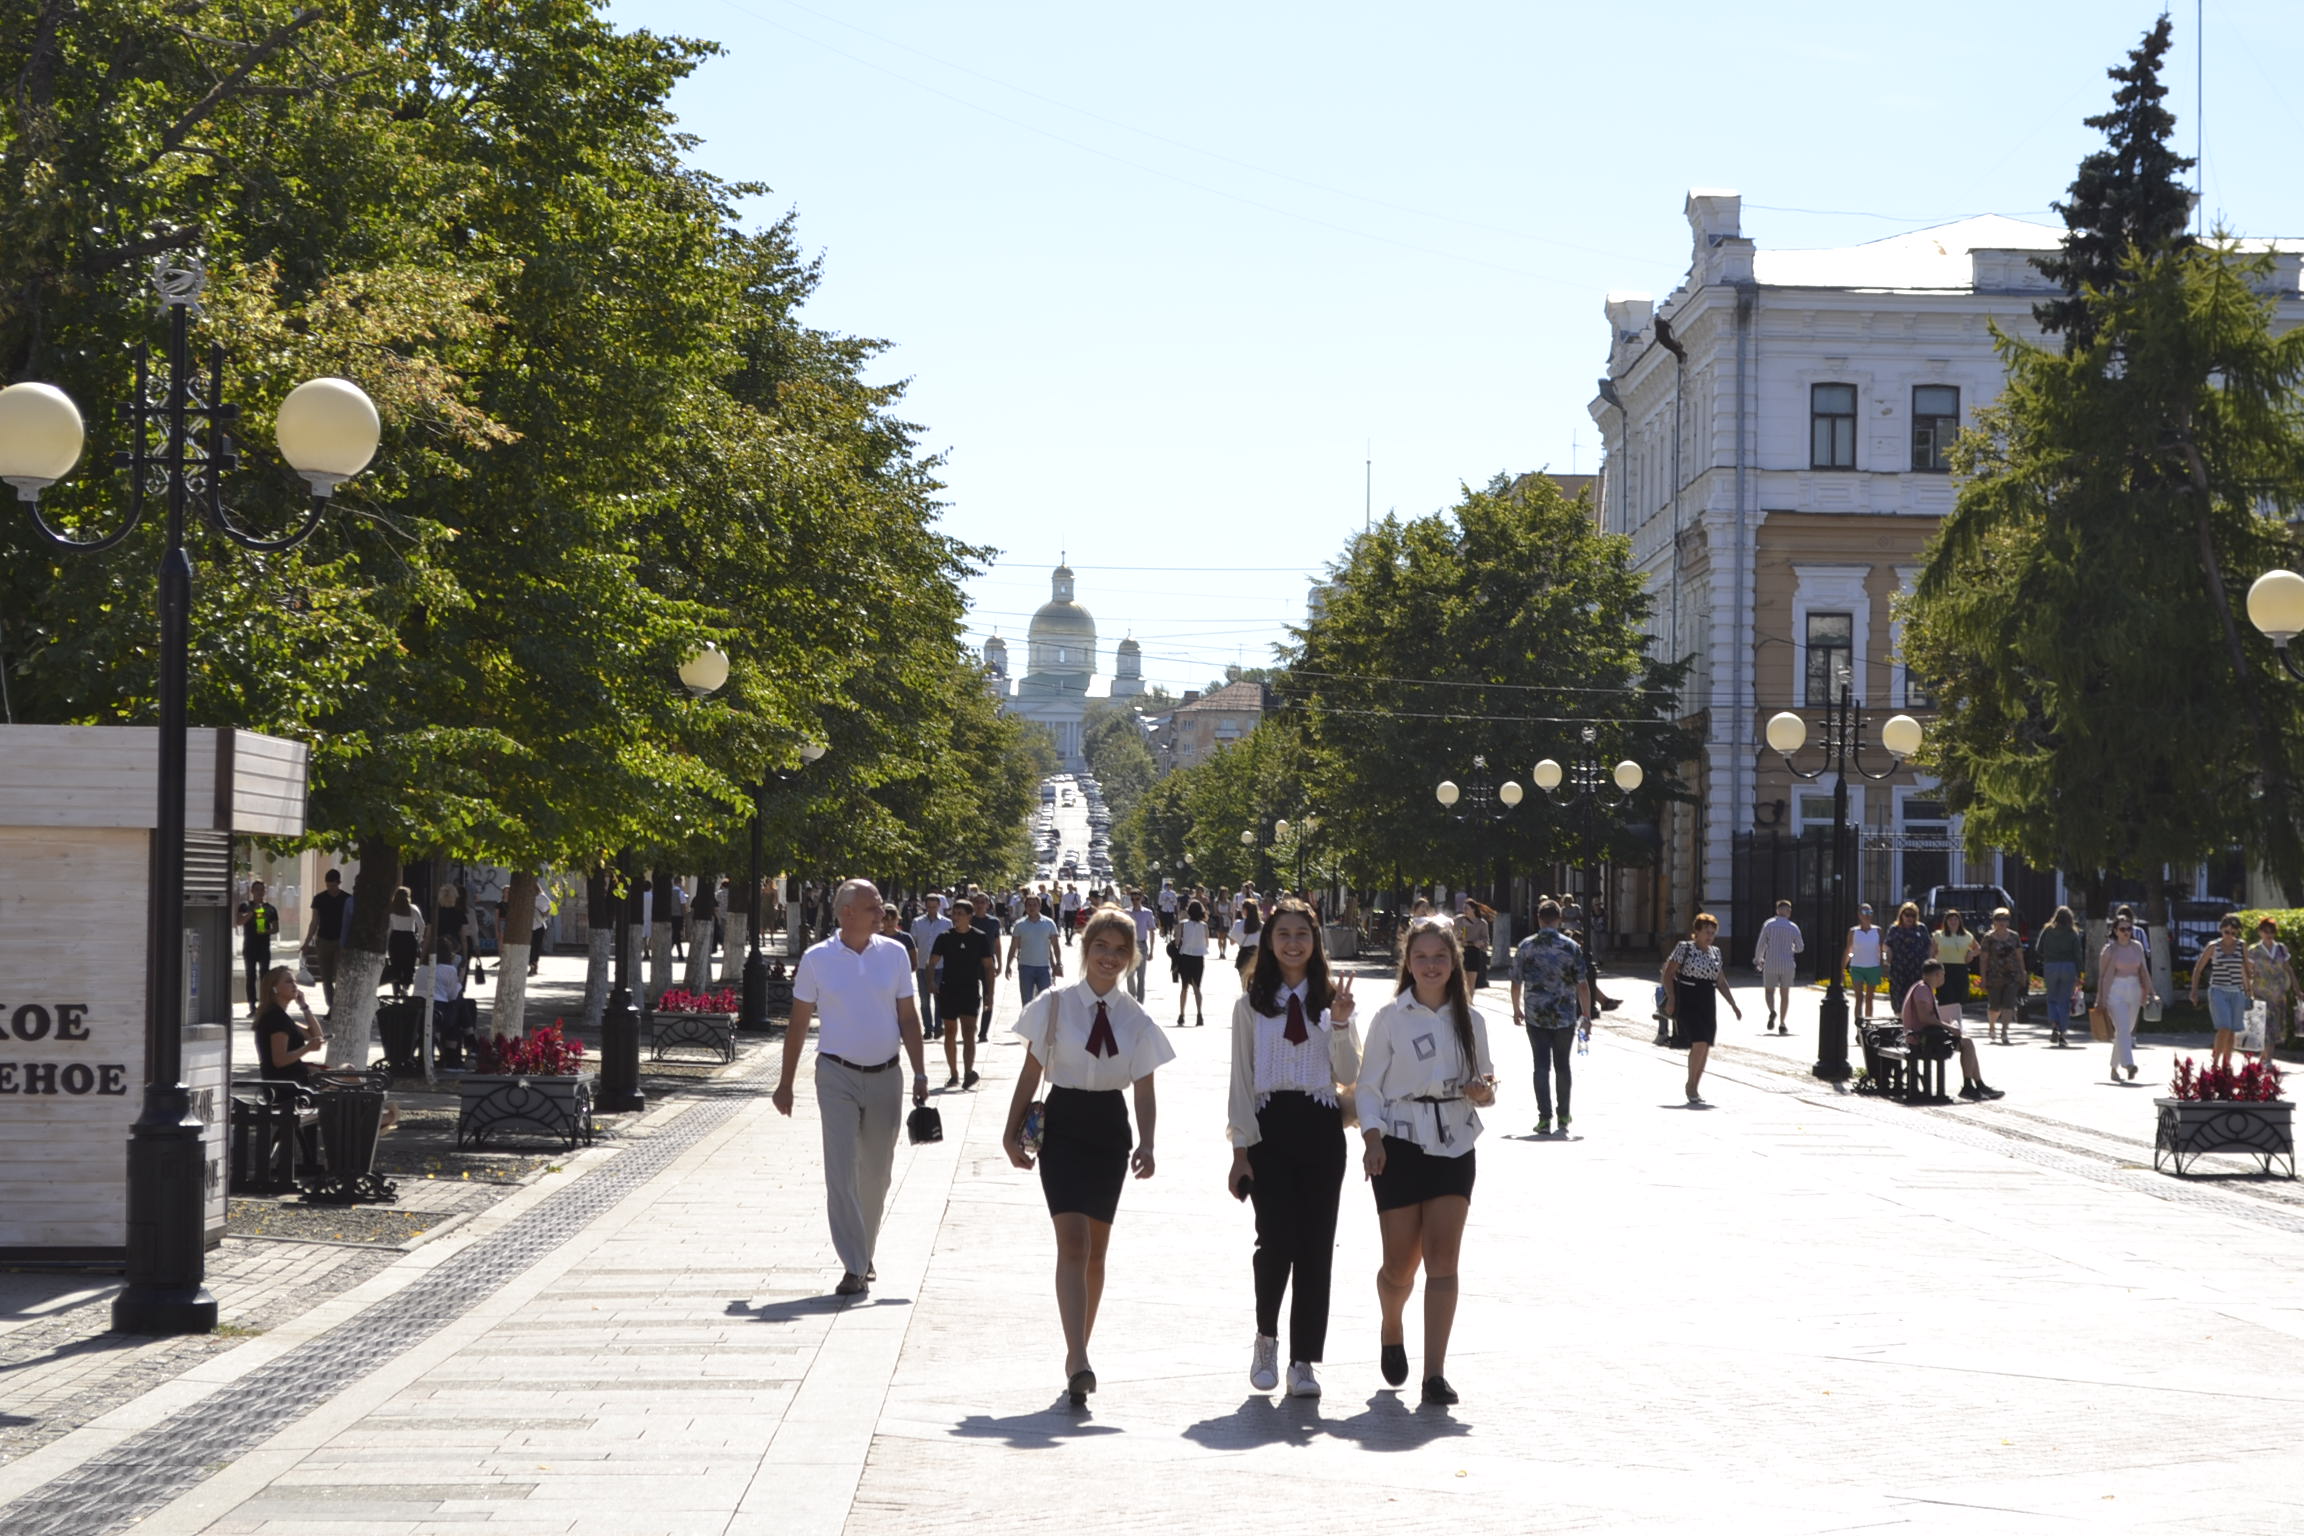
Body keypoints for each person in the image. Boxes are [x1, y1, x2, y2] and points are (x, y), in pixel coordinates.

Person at [1001, 906, 1174, 1407]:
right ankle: (1077, 1359)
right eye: (1101, 947)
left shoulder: (1136, 1019)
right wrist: (1010, 1133)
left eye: (1120, 950)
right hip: (1064, 1124)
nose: (1109, 958)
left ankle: (1080, 1347)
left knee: (1097, 1250)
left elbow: (1144, 1089)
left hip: (1108, 1130)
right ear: (1085, 948)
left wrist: (1147, 1142)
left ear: (1132, 956)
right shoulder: (1054, 1005)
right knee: (1072, 1242)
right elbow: (1031, 1073)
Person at [1226, 899, 1359, 1399]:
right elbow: (1241, 1080)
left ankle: (1304, 1361)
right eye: (1283, 934)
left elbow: (1349, 1074)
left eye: (1302, 933)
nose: (1293, 943)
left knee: (1316, 1246)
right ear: (1269, 941)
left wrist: (1341, 1024)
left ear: (1315, 941)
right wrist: (1240, 1149)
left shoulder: (1332, 1000)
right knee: (1275, 1239)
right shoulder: (1250, 1006)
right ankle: (1266, 1338)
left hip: (1321, 1124)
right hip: (1269, 1127)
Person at [772, 878, 931, 1297]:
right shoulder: (817, 959)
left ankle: (864, 1252)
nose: (882, 913)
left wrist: (920, 1072)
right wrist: (785, 1083)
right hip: (835, 1075)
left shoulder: (895, 954)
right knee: (841, 1172)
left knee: (876, 1174)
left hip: (887, 1075)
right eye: (873, 907)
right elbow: (798, 1023)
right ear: (847, 913)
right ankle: (854, 1266)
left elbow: (908, 1017)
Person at [1359, 916, 1494, 1406]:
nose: (1431, 965)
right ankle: (1391, 1325)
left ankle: (1434, 1373)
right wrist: (1373, 1139)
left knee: (1443, 1260)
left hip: (1454, 1143)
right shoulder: (1390, 1017)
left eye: (1440, 957)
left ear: (1453, 962)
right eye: (1421, 957)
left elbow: (1487, 1084)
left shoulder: (1471, 1019)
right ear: (1408, 963)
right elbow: (1368, 1087)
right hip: (1398, 1142)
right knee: (1400, 1265)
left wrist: (1482, 1092)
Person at [1511, 899, 1589, 1137]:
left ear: (1538, 918)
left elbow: (1516, 982)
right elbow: (1583, 984)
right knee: (1563, 1065)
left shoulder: (1526, 946)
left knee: (1541, 1065)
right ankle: (1564, 1115)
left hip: (1536, 1014)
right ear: (1559, 919)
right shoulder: (1571, 947)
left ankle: (1544, 1118)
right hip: (1565, 1015)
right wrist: (1586, 1015)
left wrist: (1516, 1009)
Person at [1660, 913, 1740, 1106]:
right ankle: (1691, 1085)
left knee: (1706, 1044)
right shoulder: (1684, 948)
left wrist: (1733, 1004)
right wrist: (1671, 998)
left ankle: (1695, 1085)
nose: (1709, 936)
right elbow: (1668, 973)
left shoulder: (1716, 952)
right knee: (1699, 1041)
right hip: (1688, 998)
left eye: (1713, 932)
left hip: (1707, 1000)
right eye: (1706, 932)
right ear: (1696, 932)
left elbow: (1720, 981)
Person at [1900, 959, 2006, 1100]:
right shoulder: (1922, 990)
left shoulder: (1922, 987)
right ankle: (1969, 1086)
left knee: (1967, 1042)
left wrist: (1949, 1023)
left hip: (1924, 1035)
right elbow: (1925, 1018)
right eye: (1943, 974)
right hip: (1921, 1039)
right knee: (1967, 1044)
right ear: (1937, 974)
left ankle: (1978, 1085)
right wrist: (1949, 1027)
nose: (1943, 978)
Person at [930, 899, 997, 1090]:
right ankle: (953, 1074)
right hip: (949, 989)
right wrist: (930, 982)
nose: (956, 917)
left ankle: (969, 1072)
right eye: (954, 913)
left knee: (969, 1031)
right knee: (950, 1031)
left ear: (969, 916)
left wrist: (989, 993)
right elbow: (932, 962)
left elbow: (988, 966)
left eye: (960, 914)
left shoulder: (979, 937)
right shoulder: (944, 937)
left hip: (970, 990)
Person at [2189, 915, 2254, 1072]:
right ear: (2221, 930)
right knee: (2224, 1026)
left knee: (2232, 1031)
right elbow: (2198, 968)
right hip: (2218, 990)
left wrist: (2249, 991)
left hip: (2237, 992)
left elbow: (2246, 970)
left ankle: (2226, 1064)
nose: (2230, 935)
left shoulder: (2241, 946)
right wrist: (2194, 990)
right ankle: (2215, 1062)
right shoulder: (2213, 946)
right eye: (2226, 932)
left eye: (2233, 932)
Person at [2097, 912, 2155, 1084]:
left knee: (2125, 1030)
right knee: (2122, 1027)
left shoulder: (2137, 947)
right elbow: (2102, 977)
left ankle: (2113, 1067)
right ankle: (2128, 1064)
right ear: (2115, 931)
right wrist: (2100, 998)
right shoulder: (2109, 950)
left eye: (2129, 929)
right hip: (2115, 991)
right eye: (2122, 929)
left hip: (2134, 989)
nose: (2126, 932)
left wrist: (2152, 992)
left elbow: (2144, 970)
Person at [253, 964, 325, 1083]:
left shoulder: (281, 1017)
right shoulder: (276, 1018)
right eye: (289, 981)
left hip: (294, 1079)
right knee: (347, 1075)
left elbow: (316, 1036)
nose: (295, 985)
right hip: (288, 1085)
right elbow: (279, 1060)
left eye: (295, 981)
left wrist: (304, 1007)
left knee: (347, 1071)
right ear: (274, 988)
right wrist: (307, 1048)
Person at [302, 869, 352, 1012]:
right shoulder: (319, 898)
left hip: (341, 942)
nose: (331, 888)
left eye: (333, 885)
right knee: (326, 977)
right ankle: (331, 1006)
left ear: (339, 883)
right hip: (323, 941)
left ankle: (340, 1006)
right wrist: (307, 942)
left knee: (339, 975)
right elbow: (314, 922)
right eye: (328, 885)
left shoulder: (347, 899)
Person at [2036, 905, 2085, 1048]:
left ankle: (2054, 1025)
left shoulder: (2047, 930)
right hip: (2068, 967)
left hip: (2051, 966)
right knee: (2064, 1001)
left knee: (2052, 998)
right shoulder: (2072, 933)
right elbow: (2078, 954)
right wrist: (2080, 973)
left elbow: (2038, 948)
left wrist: (2048, 956)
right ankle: (2063, 1033)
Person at [1977, 908, 2027, 1047]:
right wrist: (1983, 978)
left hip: (2012, 975)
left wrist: (2023, 972)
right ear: (1994, 921)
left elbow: (2019, 956)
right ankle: (1992, 1025)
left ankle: (2004, 1031)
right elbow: (1983, 959)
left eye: (2005, 919)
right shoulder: (1988, 938)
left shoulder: (2014, 937)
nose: (2002, 922)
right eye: (1999, 919)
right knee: (1994, 1006)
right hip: (1994, 976)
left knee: (2008, 1004)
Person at [1005, 892, 1063, 1009]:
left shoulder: (1049, 923)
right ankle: (1027, 1020)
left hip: (1044, 968)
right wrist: (1008, 965)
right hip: (1025, 967)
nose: (1032, 908)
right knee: (1027, 1002)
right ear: (1025, 907)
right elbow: (1013, 946)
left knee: (1045, 1001)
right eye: (1029, 905)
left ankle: (1042, 1021)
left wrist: (1058, 963)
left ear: (1039, 907)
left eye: (1035, 905)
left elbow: (1055, 945)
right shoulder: (1020, 925)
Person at [1756, 898, 1803, 1035]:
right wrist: (1792, 948)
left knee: (1769, 991)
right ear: (1789, 912)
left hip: (1771, 962)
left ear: (1777, 911)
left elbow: (1761, 944)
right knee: (1785, 994)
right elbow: (1800, 947)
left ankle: (1772, 1011)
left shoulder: (1768, 925)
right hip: (1787, 964)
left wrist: (1758, 959)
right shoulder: (1793, 927)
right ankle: (1782, 1023)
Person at [909, 893, 952, 1042]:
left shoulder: (946, 923)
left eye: (934, 907)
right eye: (929, 907)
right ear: (925, 906)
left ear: (939, 906)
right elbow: (913, 943)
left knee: (939, 999)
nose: (932, 910)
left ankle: (938, 1027)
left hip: (940, 966)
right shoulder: (917, 922)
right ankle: (928, 1029)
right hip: (922, 966)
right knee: (924, 1000)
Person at [236, 879, 281, 1015]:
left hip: (264, 947)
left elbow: (276, 928)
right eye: (257, 890)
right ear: (252, 891)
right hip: (249, 946)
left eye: (262, 890)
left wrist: (266, 931)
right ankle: (252, 1006)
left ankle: (264, 1004)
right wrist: (251, 913)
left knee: (265, 976)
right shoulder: (245, 906)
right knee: (250, 976)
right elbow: (239, 922)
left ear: (264, 892)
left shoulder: (270, 909)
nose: (259, 892)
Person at [2250, 917, 2293, 1057]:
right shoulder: (2254, 950)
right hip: (2260, 993)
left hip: (2278, 994)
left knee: (2275, 1028)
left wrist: (2298, 990)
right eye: (2266, 931)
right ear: (2260, 932)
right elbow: (2248, 972)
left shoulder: (2281, 949)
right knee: (2264, 1027)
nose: (2269, 934)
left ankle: (2266, 1058)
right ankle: (2266, 1059)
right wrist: (2248, 990)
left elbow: (2288, 969)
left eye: (2272, 931)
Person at [1883, 902, 1932, 1023]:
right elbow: (1886, 945)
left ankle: (1915, 1023)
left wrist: (1929, 962)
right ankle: (1901, 1022)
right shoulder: (1894, 929)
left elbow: (1929, 946)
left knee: (1916, 996)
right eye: (1907, 915)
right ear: (1901, 915)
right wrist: (1888, 953)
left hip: (1917, 969)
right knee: (1899, 997)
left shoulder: (1921, 928)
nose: (1910, 918)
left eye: (1913, 915)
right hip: (1899, 969)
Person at [968, 887, 1003, 1044]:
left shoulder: (994, 922)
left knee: (989, 997)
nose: (980, 905)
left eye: (983, 902)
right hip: (971, 964)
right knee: (972, 998)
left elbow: (997, 943)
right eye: (977, 902)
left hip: (988, 963)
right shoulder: (969, 920)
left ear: (988, 905)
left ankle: (983, 1032)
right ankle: (971, 1027)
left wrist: (1000, 962)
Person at [1843, 904, 1884, 1021]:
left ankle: (1869, 1023)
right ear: (1859, 915)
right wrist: (1844, 966)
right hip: (1857, 967)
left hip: (1873, 967)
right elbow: (1849, 950)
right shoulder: (1853, 931)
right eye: (1865, 913)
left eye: (1870, 912)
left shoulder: (1878, 930)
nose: (1867, 915)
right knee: (1859, 997)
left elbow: (1881, 949)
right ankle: (1859, 1024)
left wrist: (1883, 964)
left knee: (1869, 998)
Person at [1932, 909, 1975, 1021]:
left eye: (1956, 919)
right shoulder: (1938, 935)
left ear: (1960, 921)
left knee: (1960, 997)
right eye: (1950, 919)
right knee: (1946, 997)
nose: (1953, 922)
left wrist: (1971, 954)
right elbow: (1932, 952)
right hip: (1944, 969)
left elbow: (1978, 948)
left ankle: (1956, 1021)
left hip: (1960, 968)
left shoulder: (1967, 935)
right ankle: (1945, 1021)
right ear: (1946, 921)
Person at [1174, 898, 1211, 1026]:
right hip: (1198, 957)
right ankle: (1199, 1014)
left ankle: (1181, 1014)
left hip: (1185, 956)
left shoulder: (1182, 924)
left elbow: (1177, 942)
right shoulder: (1204, 926)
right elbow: (1207, 943)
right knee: (1197, 987)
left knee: (1184, 987)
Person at [384, 886, 422, 999]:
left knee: (396, 964)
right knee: (409, 965)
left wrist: (387, 944)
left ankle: (396, 990)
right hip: (409, 938)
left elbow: (389, 928)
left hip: (395, 938)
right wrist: (419, 939)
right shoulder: (413, 909)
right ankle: (405, 987)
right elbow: (422, 925)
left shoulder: (392, 909)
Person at [1124, 889, 1158, 1002]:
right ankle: (1132, 999)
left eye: (1137, 899)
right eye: (1132, 899)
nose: (1135, 901)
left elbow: (1152, 931)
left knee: (1141, 976)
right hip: (1130, 945)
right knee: (1129, 975)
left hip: (1142, 945)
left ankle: (1140, 1001)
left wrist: (1151, 950)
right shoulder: (1127, 912)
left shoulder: (1147, 913)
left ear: (1142, 898)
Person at [1456, 901, 1493, 991]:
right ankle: (1461, 999)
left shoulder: (1481, 923)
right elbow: (1449, 932)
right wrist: (1457, 935)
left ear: (1473, 909)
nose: (1464, 911)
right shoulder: (1458, 920)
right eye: (1463, 908)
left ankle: (1470, 999)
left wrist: (1481, 943)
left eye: (1466, 908)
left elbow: (1486, 941)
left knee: (1471, 983)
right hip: (1460, 952)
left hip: (1474, 952)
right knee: (1460, 982)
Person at [880, 903, 917, 969]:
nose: (890, 922)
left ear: (898, 919)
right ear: (881, 920)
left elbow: (914, 963)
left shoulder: (906, 938)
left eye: (893, 919)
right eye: (886, 919)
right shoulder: (875, 937)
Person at [1232, 897, 1263, 973]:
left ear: (1245, 910)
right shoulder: (1261, 925)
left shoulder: (1238, 924)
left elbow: (1232, 942)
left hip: (1243, 955)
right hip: (1257, 956)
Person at [529, 881, 554, 977]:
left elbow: (549, 908)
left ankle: (534, 965)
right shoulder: (527, 898)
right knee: (531, 947)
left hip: (539, 926)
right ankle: (532, 965)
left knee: (536, 947)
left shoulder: (542, 897)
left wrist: (544, 914)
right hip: (529, 927)